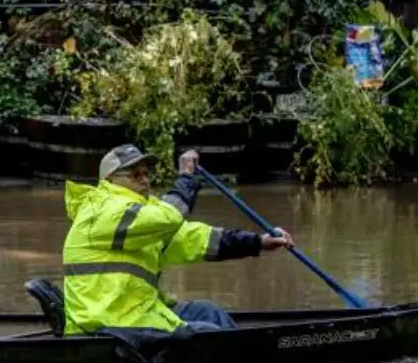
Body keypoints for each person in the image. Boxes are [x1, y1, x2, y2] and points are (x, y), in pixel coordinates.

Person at [61, 144, 294, 338]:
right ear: (110, 181)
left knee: (208, 313)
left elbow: (197, 240)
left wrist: (258, 242)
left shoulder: (139, 218)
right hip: (110, 322)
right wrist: (185, 178)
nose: (145, 180)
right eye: (135, 175)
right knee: (208, 335)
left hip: (136, 315)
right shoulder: (103, 211)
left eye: (146, 173)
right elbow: (170, 217)